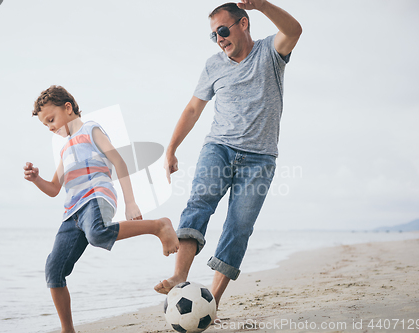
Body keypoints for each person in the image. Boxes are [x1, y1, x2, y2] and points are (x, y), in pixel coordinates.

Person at [154, 0, 302, 310]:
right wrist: (171, 149)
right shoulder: (213, 65)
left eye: (223, 30)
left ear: (243, 24)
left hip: (260, 159)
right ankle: (179, 277)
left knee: (238, 228)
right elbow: (193, 109)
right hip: (218, 148)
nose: (220, 39)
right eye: (214, 35)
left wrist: (262, 4)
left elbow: (294, 29)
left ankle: (211, 304)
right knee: (199, 204)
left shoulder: (270, 52)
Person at [24, 85, 179, 333]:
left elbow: (119, 161)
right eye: (46, 125)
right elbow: (54, 189)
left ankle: (159, 225)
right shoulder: (64, 149)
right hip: (71, 213)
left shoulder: (90, 129)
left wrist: (130, 202)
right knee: (53, 270)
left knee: (97, 233)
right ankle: (68, 329)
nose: (51, 127)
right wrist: (36, 179)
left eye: (51, 120)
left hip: (96, 197)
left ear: (68, 108)